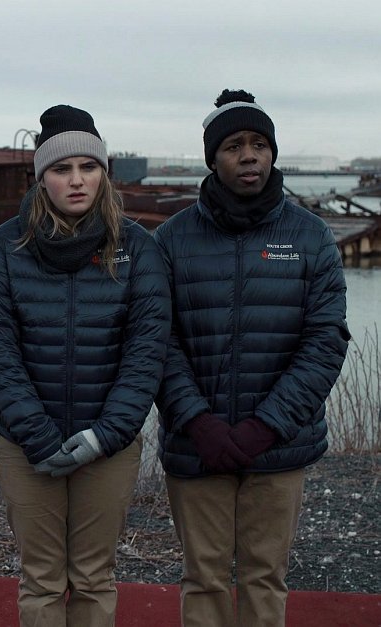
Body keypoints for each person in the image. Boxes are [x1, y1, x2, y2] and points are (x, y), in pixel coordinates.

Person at [153, 89, 350, 627]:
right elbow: (157, 341)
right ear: (212, 157)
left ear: (272, 153)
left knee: (265, 579)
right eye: (234, 145)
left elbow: (326, 341)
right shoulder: (171, 240)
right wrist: (199, 423)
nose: (249, 156)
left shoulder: (310, 236)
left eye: (259, 144)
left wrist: (267, 426)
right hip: (197, 445)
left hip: (279, 445)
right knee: (204, 579)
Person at [0, 105, 171, 627]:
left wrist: (107, 433)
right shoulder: (5, 248)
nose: (76, 180)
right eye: (62, 169)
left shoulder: (138, 249)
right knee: (41, 579)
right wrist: (35, 434)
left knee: (93, 577)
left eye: (88, 166)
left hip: (107, 446)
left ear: (104, 173)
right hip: (26, 446)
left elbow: (145, 352)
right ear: (42, 178)